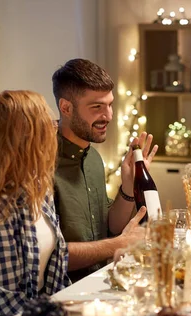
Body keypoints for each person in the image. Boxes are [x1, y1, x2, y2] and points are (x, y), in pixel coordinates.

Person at [0, 90, 71, 316]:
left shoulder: (38, 187)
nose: (55, 129)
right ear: (26, 138)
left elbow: (55, 277)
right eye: (47, 125)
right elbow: (6, 305)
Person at [52, 58, 152, 282]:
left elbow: (110, 226)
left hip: (100, 281)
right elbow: (50, 256)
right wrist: (119, 244)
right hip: (66, 294)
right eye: (97, 107)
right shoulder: (42, 164)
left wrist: (128, 185)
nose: (108, 116)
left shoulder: (93, 158)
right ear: (66, 108)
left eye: (110, 104)